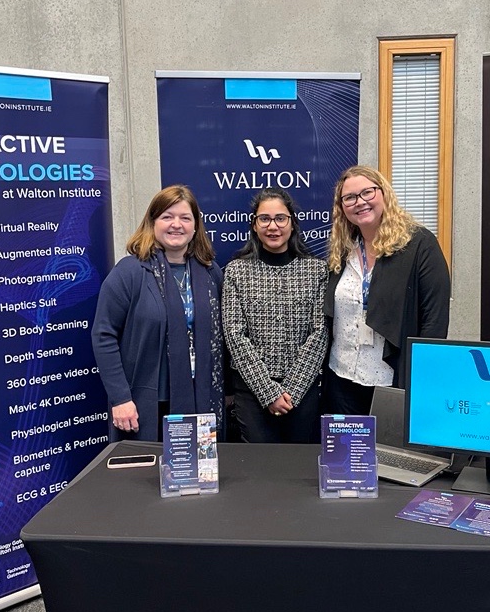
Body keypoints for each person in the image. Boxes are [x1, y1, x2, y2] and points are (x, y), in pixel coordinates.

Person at [92, 185, 225, 441]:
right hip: (148, 404)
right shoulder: (130, 272)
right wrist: (120, 398)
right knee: (144, 479)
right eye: (167, 217)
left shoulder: (210, 273)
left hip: (201, 400)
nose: (176, 225)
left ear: (195, 226)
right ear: (152, 223)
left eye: (185, 218)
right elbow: (103, 335)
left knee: (197, 479)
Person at [324, 165, 450, 415]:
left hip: (391, 380)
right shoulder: (344, 250)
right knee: (346, 454)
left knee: (388, 454)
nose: (359, 202)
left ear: (384, 194)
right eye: (349, 198)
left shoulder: (418, 245)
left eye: (367, 193)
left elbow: (434, 320)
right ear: (342, 207)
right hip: (340, 377)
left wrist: (420, 377)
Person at [222, 187, 328, 443]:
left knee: (298, 469)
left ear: (292, 224)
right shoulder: (237, 271)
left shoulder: (317, 270)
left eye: (280, 218)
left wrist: (292, 389)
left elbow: (320, 333)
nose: (273, 226)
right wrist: (268, 392)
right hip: (251, 391)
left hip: (302, 392)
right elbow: (234, 335)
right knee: (260, 470)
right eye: (264, 219)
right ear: (254, 225)